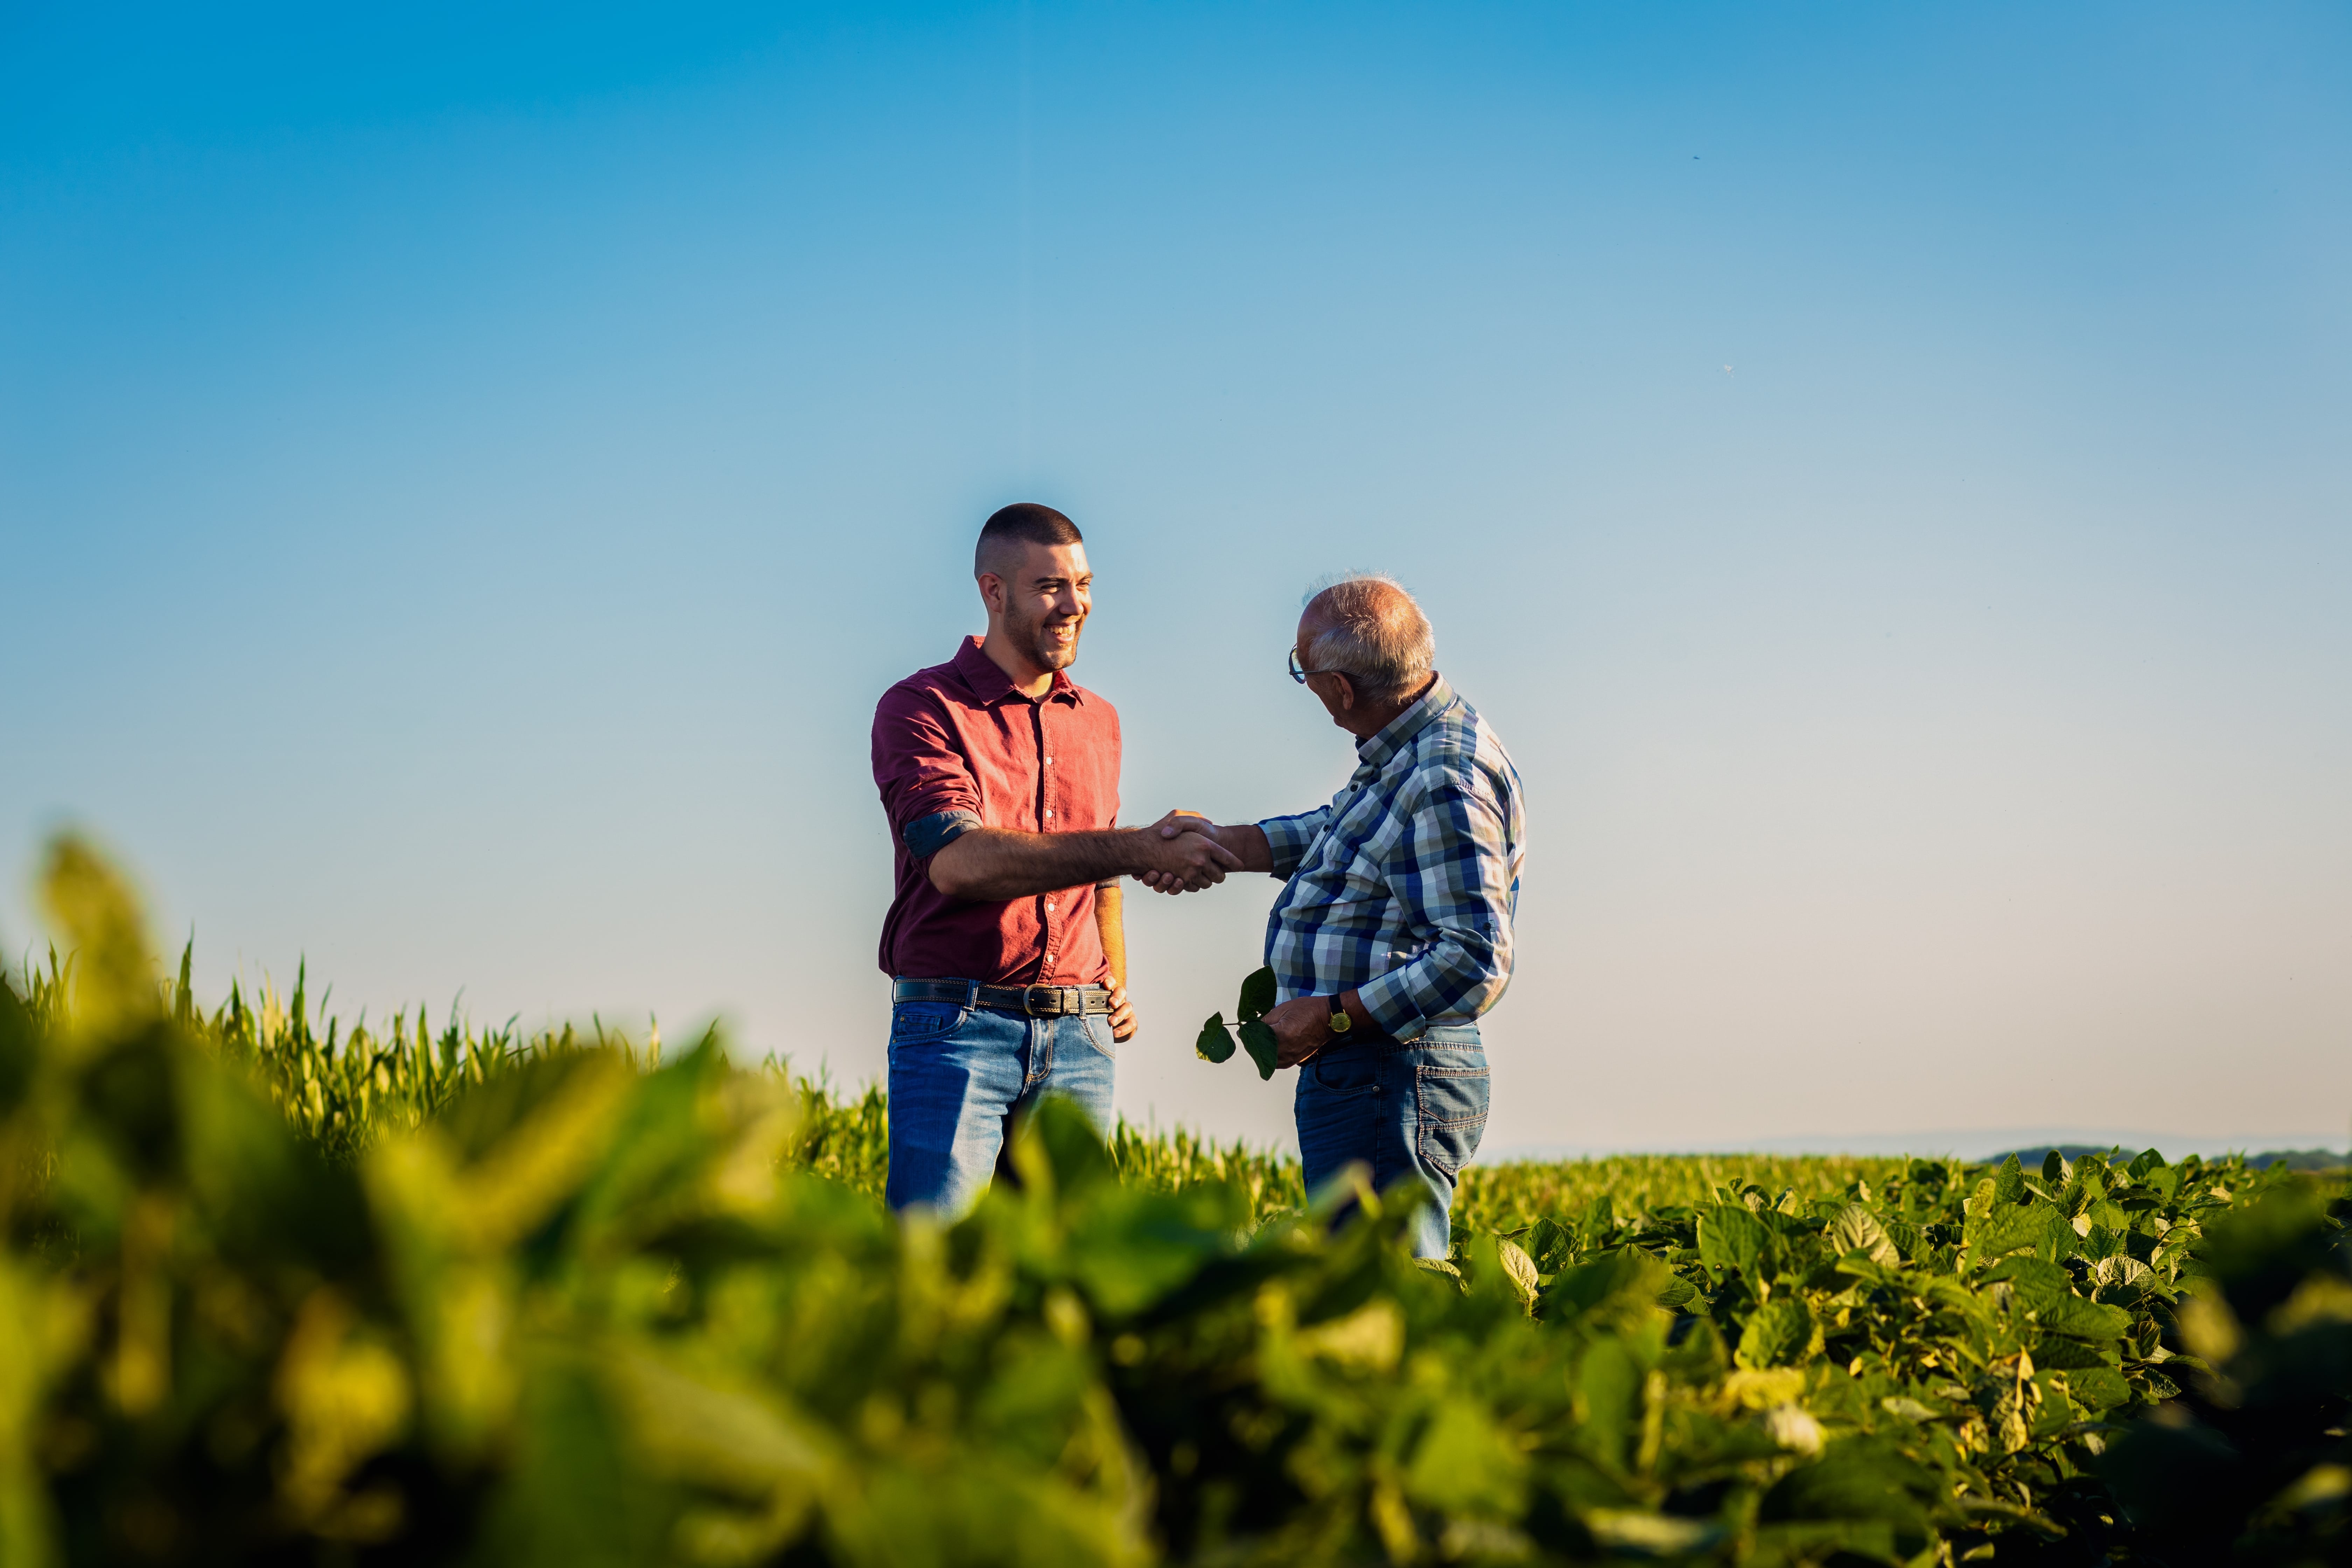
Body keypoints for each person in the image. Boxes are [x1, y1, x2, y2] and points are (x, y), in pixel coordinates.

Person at [870, 503, 1242, 1215]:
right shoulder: (921, 707)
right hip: (956, 1030)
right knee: (934, 1274)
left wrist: (1116, 982)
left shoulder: (1099, 721)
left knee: (1062, 1283)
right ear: (994, 591)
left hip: (1081, 1040)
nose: (1076, 605)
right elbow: (958, 863)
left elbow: (1098, 874)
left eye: (1083, 583)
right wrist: (1139, 846)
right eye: (1051, 587)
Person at [1142, 575, 1525, 1257]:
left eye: (1304, 672)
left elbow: (1474, 958)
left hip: (1391, 1072)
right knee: (1361, 1283)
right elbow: (1343, 833)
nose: (1307, 687)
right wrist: (1229, 843)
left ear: (1342, 689)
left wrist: (1332, 1013)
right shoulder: (1406, 748)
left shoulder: (1443, 773)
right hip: (1377, 1072)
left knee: (1380, 1294)